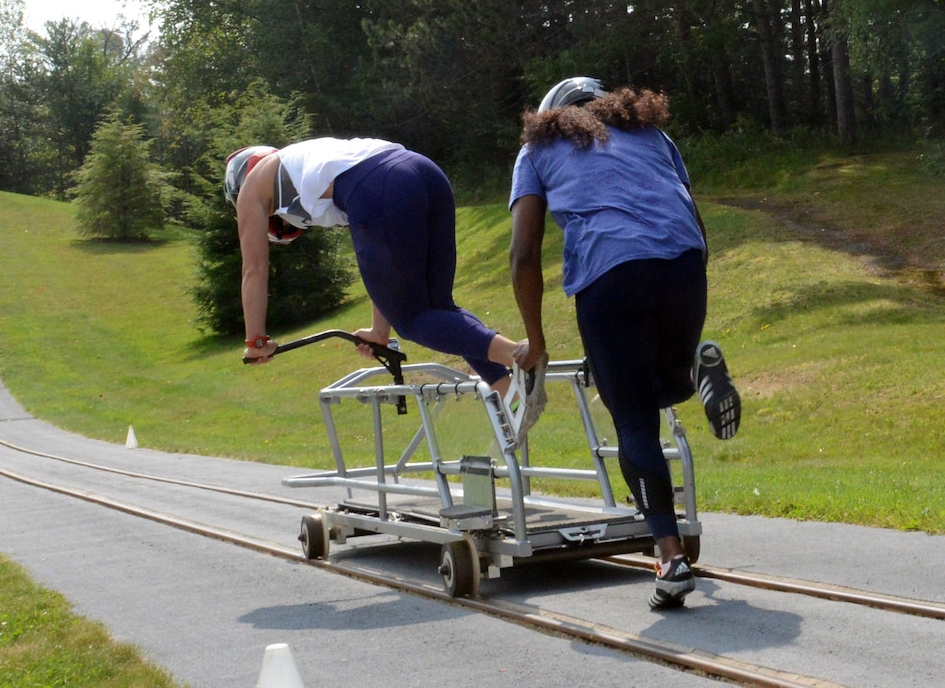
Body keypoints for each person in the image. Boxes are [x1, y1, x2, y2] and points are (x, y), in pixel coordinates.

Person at [507, 77, 742, 610]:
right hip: (683, 264)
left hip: (609, 275)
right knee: (663, 383)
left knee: (634, 419)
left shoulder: (538, 149)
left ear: (550, 115)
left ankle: (670, 558)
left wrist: (537, 341)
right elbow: (695, 218)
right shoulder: (652, 135)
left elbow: (524, 255)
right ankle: (692, 369)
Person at [225, 138, 519, 400]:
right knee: (438, 308)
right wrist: (379, 332)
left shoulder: (251, 187)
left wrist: (256, 341)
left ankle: (519, 355)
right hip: (423, 171)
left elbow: (254, 269)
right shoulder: (311, 166)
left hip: (382, 187)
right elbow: (383, 266)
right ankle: (505, 384)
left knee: (413, 321)